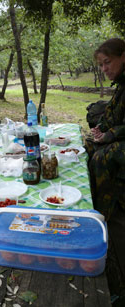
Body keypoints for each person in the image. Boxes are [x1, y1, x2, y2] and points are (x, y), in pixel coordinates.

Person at [85, 38, 125, 221]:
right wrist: (100, 129)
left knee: (103, 157)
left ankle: (103, 216)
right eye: (101, 65)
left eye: (107, 62)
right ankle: (88, 201)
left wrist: (109, 135)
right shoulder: (121, 85)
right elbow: (112, 113)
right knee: (87, 147)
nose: (104, 69)